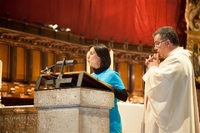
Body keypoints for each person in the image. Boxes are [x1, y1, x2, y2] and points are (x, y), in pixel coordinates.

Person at [142, 26, 199, 133]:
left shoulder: (177, 60)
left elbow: (160, 87)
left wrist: (153, 68)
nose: (155, 48)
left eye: (157, 43)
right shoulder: (178, 59)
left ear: (168, 43)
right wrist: (156, 68)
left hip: (173, 124)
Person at [87, 43, 128, 133]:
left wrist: (107, 87)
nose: (88, 55)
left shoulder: (112, 75)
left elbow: (124, 96)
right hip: (94, 122)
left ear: (101, 57)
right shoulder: (91, 76)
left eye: (92, 53)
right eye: (88, 52)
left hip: (111, 123)